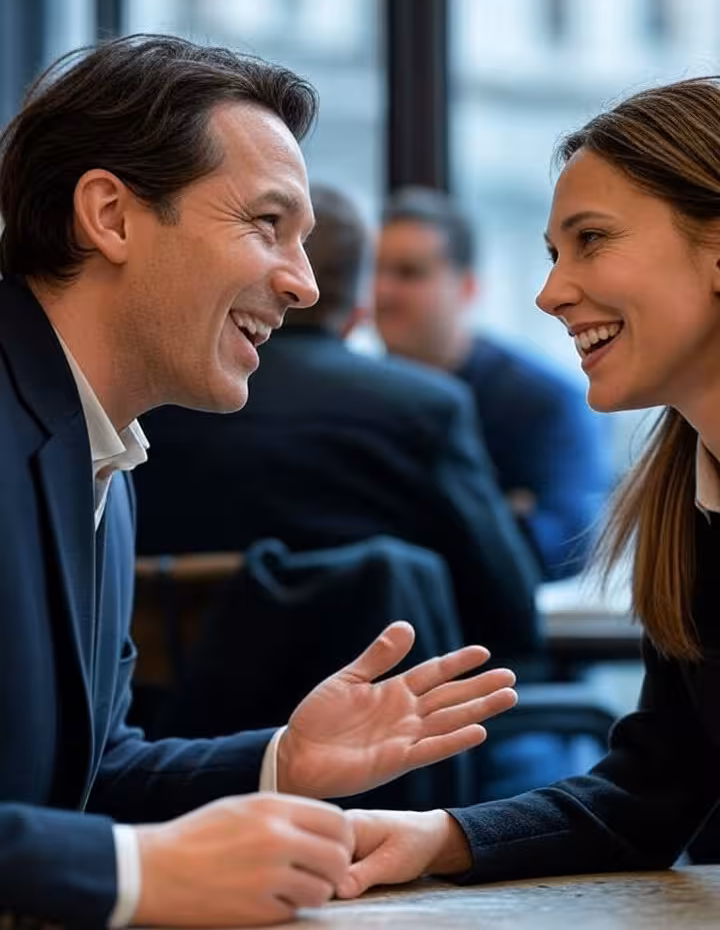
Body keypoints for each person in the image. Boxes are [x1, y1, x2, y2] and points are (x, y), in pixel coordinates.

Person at [0, 35, 519, 928]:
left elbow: (90, 777)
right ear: (112, 216)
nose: (308, 286)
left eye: (308, 241)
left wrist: (284, 762)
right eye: (266, 225)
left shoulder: (105, 462)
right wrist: (132, 872)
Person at [331, 74, 720, 900]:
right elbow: (654, 792)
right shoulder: (688, 500)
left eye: (591, 240)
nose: (549, 294)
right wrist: (435, 836)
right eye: (552, 253)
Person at [134, 183, 540, 660]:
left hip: (164, 723)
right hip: (381, 720)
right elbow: (512, 613)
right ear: (357, 309)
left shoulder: (148, 405)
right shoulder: (424, 410)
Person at [374, 187, 613, 579]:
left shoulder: (547, 401)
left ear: (466, 287)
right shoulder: (357, 401)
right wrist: (498, 514)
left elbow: (569, 546)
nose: (382, 291)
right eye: (374, 271)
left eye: (408, 273)